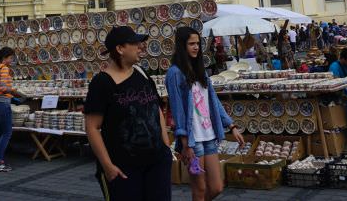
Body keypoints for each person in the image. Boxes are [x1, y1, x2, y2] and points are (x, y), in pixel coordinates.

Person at [84, 26, 172, 201]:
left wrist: (166, 146)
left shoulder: (141, 73)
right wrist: (108, 167)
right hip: (124, 169)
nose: (141, 47)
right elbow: (92, 128)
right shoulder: (101, 83)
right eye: (135, 43)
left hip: (156, 163)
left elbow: (155, 108)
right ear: (120, 49)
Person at [166, 27, 244, 201]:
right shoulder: (175, 73)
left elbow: (214, 102)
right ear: (181, 46)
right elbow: (177, 109)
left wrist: (231, 126)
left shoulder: (201, 71)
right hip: (193, 140)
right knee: (199, 189)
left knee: (217, 187)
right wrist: (185, 143)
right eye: (191, 44)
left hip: (209, 137)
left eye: (197, 44)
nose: (196, 47)